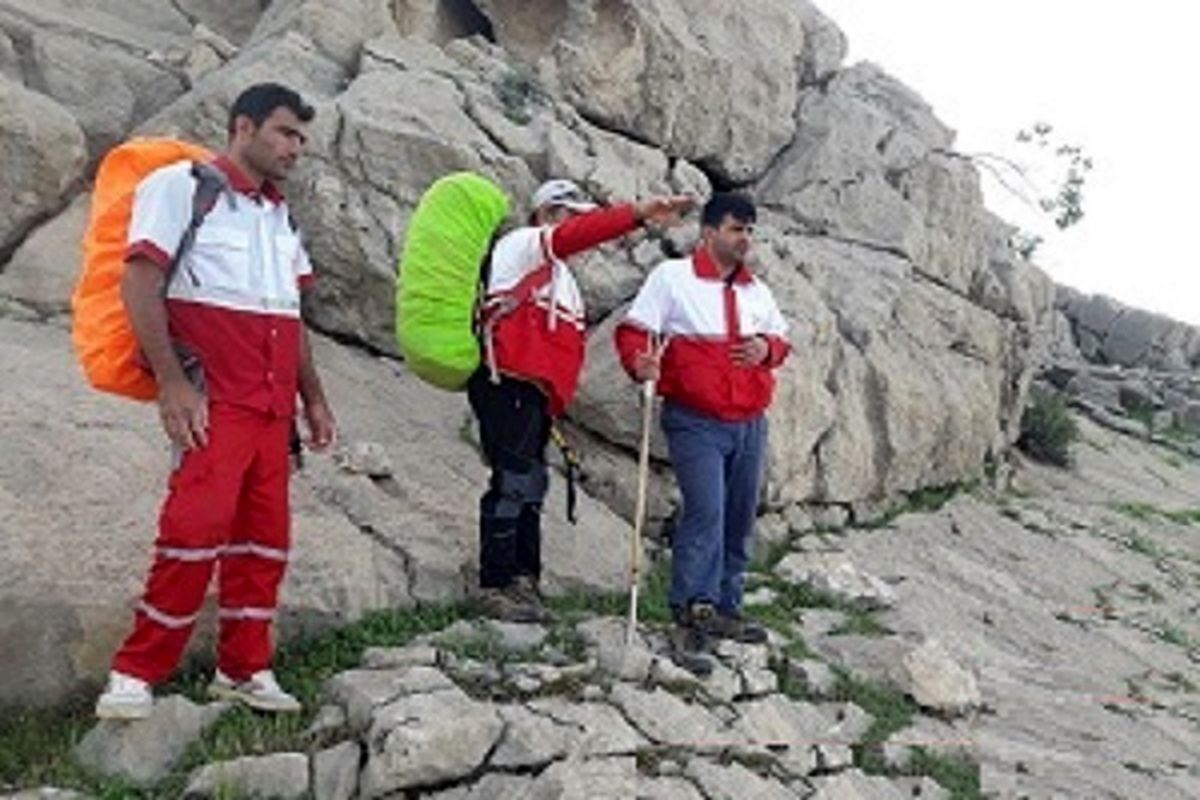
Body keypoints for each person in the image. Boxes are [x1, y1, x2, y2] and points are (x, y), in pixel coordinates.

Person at [94, 83, 336, 719]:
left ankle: (244, 668)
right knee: (191, 533)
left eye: (302, 139)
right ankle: (136, 671)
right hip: (214, 401)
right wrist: (171, 381)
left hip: (271, 411)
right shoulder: (182, 187)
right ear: (243, 127)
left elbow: (294, 312)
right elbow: (140, 279)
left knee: (265, 543)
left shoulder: (281, 216)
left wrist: (313, 399)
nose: (296, 148)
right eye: (285, 133)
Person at [470, 178, 692, 623]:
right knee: (514, 482)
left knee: (530, 484)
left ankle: (523, 581)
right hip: (508, 379)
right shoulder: (524, 245)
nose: (579, 226)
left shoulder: (562, 279)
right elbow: (575, 238)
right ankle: (495, 584)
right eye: (572, 215)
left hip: (535, 393)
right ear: (548, 215)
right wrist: (638, 212)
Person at [615, 192, 789, 675]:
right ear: (709, 232)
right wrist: (640, 363)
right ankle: (693, 609)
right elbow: (634, 333)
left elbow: (782, 338)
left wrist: (766, 349)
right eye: (737, 229)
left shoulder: (758, 291)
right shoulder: (672, 278)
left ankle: (727, 605)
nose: (745, 239)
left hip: (750, 420)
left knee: (738, 516)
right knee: (706, 512)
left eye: (750, 230)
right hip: (695, 418)